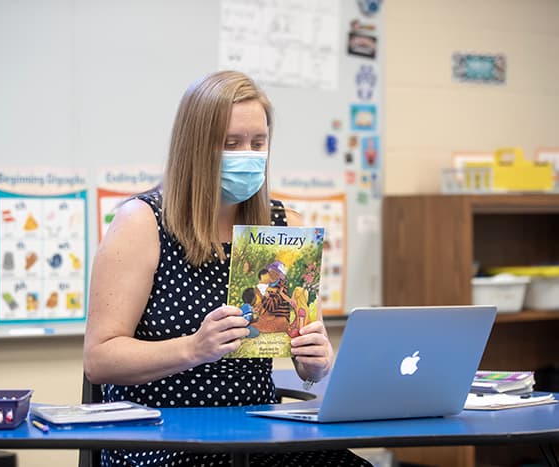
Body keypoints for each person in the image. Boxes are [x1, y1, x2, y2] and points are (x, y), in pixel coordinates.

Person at [84, 70, 371, 467]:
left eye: (259, 142)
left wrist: (316, 361)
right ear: (196, 147)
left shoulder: (282, 224)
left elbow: (306, 355)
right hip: (163, 437)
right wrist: (193, 348)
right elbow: (99, 359)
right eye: (231, 143)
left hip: (258, 433)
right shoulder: (142, 222)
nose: (249, 155)